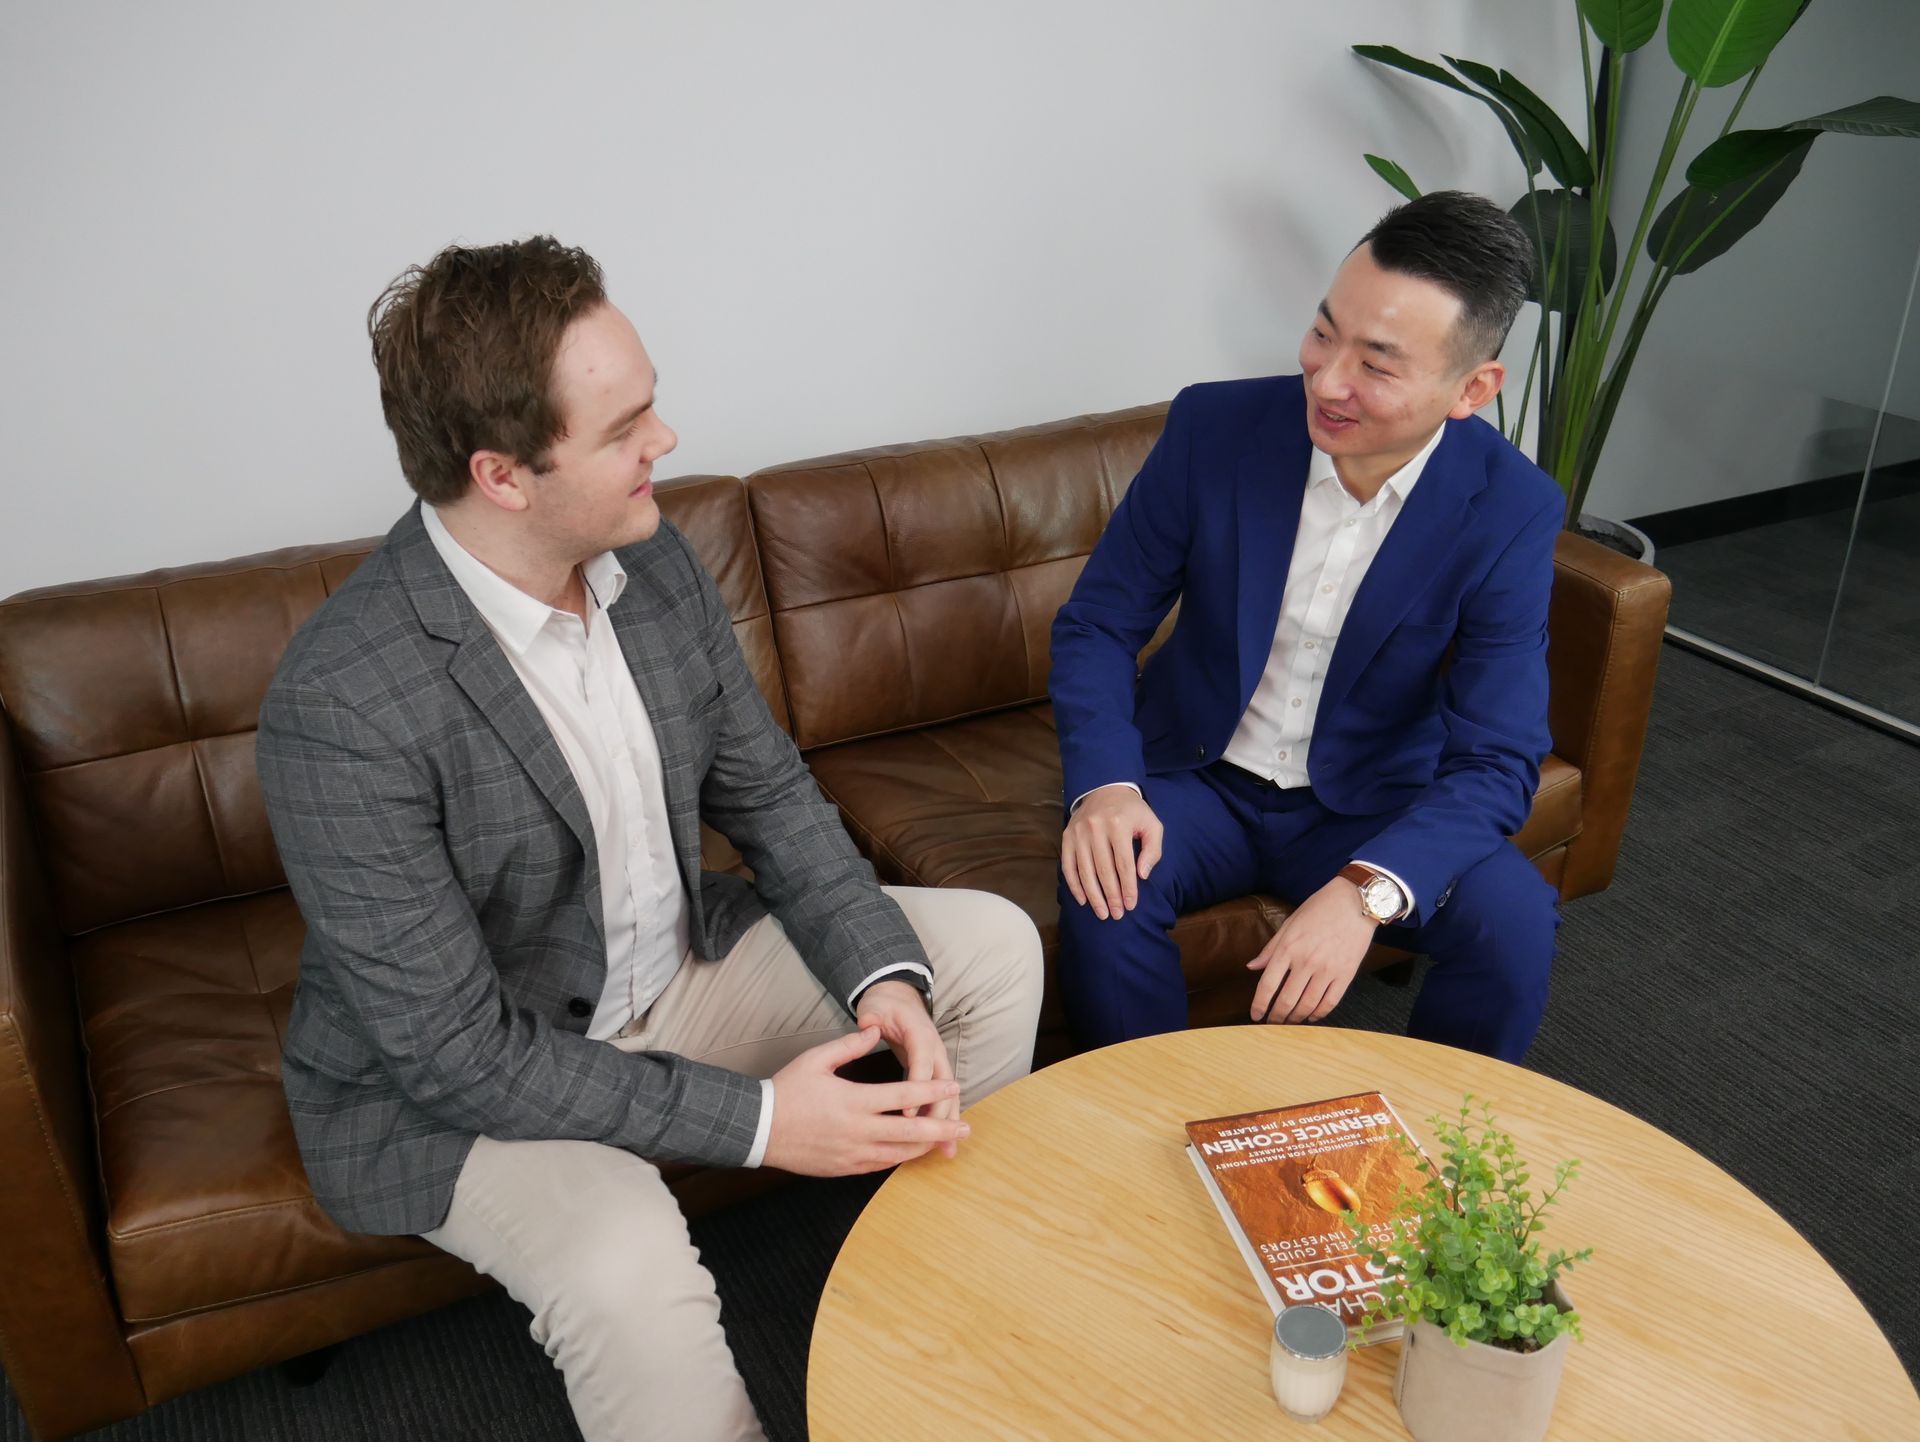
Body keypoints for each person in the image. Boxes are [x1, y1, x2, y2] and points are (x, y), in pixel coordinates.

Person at [256, 236, 1043, 1442]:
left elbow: (773, 795)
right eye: (625, 427)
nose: (664, 441)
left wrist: (885, 984)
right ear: (504, 474)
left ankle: (939, 1315)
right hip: (469, 1084)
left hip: (673, 973)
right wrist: (769, 1124)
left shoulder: (650, 555)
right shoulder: (341, 703)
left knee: (985, 952)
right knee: (629, 1266)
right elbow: (463, 1056)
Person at [1049, 190, 1563, 1064]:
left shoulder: (1510, 508)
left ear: (1472, 387)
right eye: (1325, 333)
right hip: (1196, 779)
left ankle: (1436, 1163)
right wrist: (1105, 787)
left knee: (1513, 923)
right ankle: (1141, 1133)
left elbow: (1499, 756)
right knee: (1105, 891)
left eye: (1378, 363)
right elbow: (1098, 624)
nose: (1327, 381)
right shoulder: (1215, 428)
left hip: (1365, 803)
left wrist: (1368, 891)